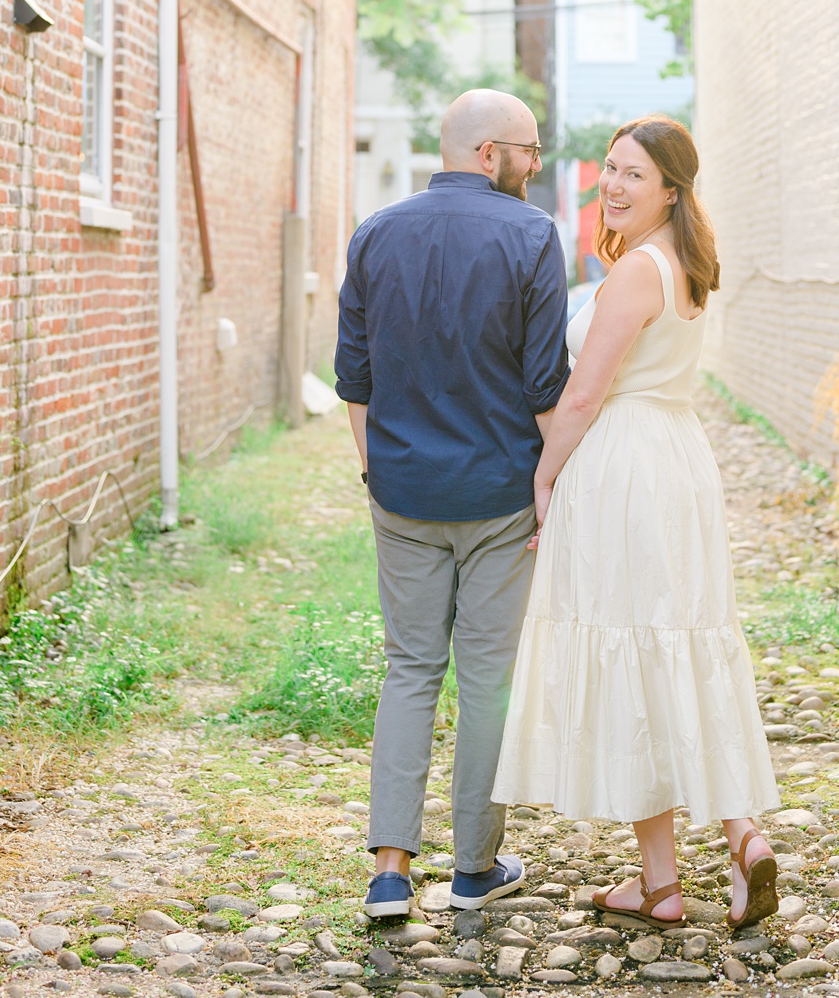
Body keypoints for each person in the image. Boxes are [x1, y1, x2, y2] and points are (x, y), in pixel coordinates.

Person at [491, 115, 783, 930]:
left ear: (670, 190)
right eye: (609, 170)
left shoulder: (633, 275)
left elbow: (583, 395)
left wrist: (545, 478)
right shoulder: (688, 264)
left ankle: (669, 878)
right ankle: (734, 839)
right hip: (677, 458)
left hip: (623, 463)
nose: (612, 186)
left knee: (631, 647)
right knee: (675, 642)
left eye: (632, 176)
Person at [334, 87, 566, 920]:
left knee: (409, 671)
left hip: (401, 493)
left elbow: (353, 379)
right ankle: (474, 868)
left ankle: (390, 872)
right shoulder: (534, 237)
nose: (535, 165)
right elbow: (546, 385)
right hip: (502, 493)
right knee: (487, 678)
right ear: (486, 152)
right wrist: (555, 481)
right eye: (529, 150)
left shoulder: (374, 234)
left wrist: (378, 471)